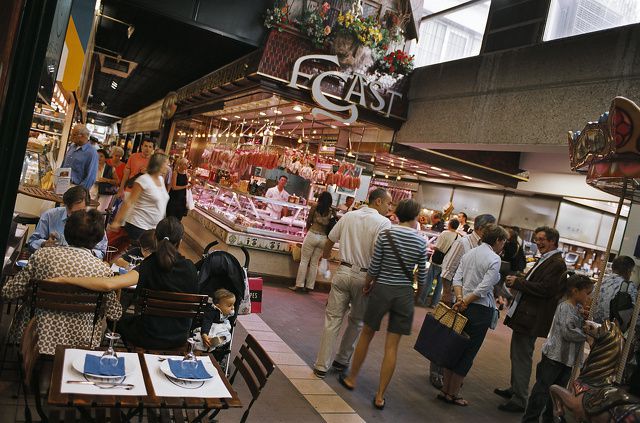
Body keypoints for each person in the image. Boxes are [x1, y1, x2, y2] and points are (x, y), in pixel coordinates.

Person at [50, 217, 200, 349]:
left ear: (155, 237)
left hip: (147, 336)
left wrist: (65, 279)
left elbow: (109, 285)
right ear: (180, 241)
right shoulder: (191, 268)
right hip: (179, 337)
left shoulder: (149, 265)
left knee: (113, 316)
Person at [339, 199, 427, 410]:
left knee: (367, 333)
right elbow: (422, 276)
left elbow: (374, 266)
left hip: (382, 290)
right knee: (392, 345)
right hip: (404, 293)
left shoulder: (387, 234)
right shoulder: (421, 241)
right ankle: (380, 396)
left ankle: (351, 378)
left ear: (398, 215)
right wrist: (417, 296)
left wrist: (368, 285)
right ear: (414, 218)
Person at [2, 210, 122, 355]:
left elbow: (9, 292)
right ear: (98, 239)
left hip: (34, 339)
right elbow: (115, 313)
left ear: (66, 231)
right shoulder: (102, 270)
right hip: (81, 343)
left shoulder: (42, 255)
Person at [313, 188, 392, 378]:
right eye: (388, 203)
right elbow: (381, 254)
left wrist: (324, 260)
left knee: (332, 320)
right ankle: (342, 360)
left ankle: (321, 366)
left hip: (342, 271)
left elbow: (330, 240)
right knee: (357, 321)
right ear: (378, 202)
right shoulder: (384, 223)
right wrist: (376, 279)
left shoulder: (349, 216)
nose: (389, 208)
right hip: (365, 276)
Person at [496, 226, 567, 413]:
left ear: (553, 241)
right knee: (517, 354)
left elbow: (546, 289)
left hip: (532, 318)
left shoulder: (556, 263)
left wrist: (519, 282)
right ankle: (515, 389)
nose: (538, 242)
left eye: (542, 239)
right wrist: (520, 279)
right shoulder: (548, 259)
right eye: (537, 239)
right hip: (527, 315)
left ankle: (520, 399)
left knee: (522, 356)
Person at [438, 224, 508, 406]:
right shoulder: (494, 258)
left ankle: (445, 390)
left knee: (452, 346)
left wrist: (460, 298)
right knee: (468, 352)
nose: (503, 246)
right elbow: (484, 287)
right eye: (503, 242)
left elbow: (456, 278)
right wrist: (467, 301)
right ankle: (453, 394)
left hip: (459, 305)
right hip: (479, 309)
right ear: (498, 240)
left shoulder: (470, 253)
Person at [430, 213, 496, 388]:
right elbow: (448, 270)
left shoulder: (483, 247)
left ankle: (449, 377)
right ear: (481, 228)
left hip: (467, 302)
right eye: (491, 228)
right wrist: (447, 296)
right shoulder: (463, 242)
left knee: (458, 339)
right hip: (454, 297)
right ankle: (437, 373)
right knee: (445, 336)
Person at [522, 273, 593, 423]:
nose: (588, 297)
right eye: (587, 293)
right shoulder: (565, 307)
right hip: (555, 356)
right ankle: (531, 418)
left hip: (566, 359)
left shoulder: (576, 308)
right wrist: (585, 335)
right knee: (543, 389)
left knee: (558, 392)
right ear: (575, 291)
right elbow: (568, 332)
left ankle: (549, 417)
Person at [27, 185, 108, 259]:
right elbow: (32, 243)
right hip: (52, 260)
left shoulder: (93, 221)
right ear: (65, 205)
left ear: (87, 206)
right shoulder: (50, 216)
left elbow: (101, 251)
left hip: (82, 265)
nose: (75, 217)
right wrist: (44, 243)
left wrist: (87, 252)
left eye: (80, 212)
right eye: (72, 212)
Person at [109, 153, 170, 247]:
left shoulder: (161, 180)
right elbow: (129, 201)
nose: (168, 166)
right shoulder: (143, 180)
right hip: (139, 225)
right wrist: (117, 221)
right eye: (167, 164)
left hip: (153, 227)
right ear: (159, 164)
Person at [290, 191, 334, 293]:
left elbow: (308, 221)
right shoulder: (331, 211)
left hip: (312, 233)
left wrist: (308, 231)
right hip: (323, 238)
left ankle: (299, 285)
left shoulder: (315, 206)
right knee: (314, 263)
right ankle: (310, 286)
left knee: (304, 261)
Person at [416, 218, 460, 307]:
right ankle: (434, 303)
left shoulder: (444, 233)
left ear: (450, 225)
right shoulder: (458, 237)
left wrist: (431, 246)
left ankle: (421, 300)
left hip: (436, 261)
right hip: (447, 263)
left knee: (429, 281)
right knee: (440, 285)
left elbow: (438, 246)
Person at [592, 255, 637, 326]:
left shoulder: (600, 282)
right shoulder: (629, 287)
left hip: (594, 326)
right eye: (631, 271)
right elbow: (635, 314)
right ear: (628, 270)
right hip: (612, 330)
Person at [194, 288, 236, 352]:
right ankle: (202, 344)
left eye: (233, 305)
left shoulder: (226, 312)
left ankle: (218, 340)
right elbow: (207, 322)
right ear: (218, 306)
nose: (233, 307)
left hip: (220, 330)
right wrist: (204, 334)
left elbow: (232, 314)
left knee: (227, 335)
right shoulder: (212, 312)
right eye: (229, 305)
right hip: (210, 329)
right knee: (199, 337)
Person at [61, 123, 99, 190]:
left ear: (82, 136)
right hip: (62, 183)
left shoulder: (91, 153)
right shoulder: (72, 147)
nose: (71, 137)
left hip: (74, 187)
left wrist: (79, 191)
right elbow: (64, 164)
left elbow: (90, 177)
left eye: (74, 135)